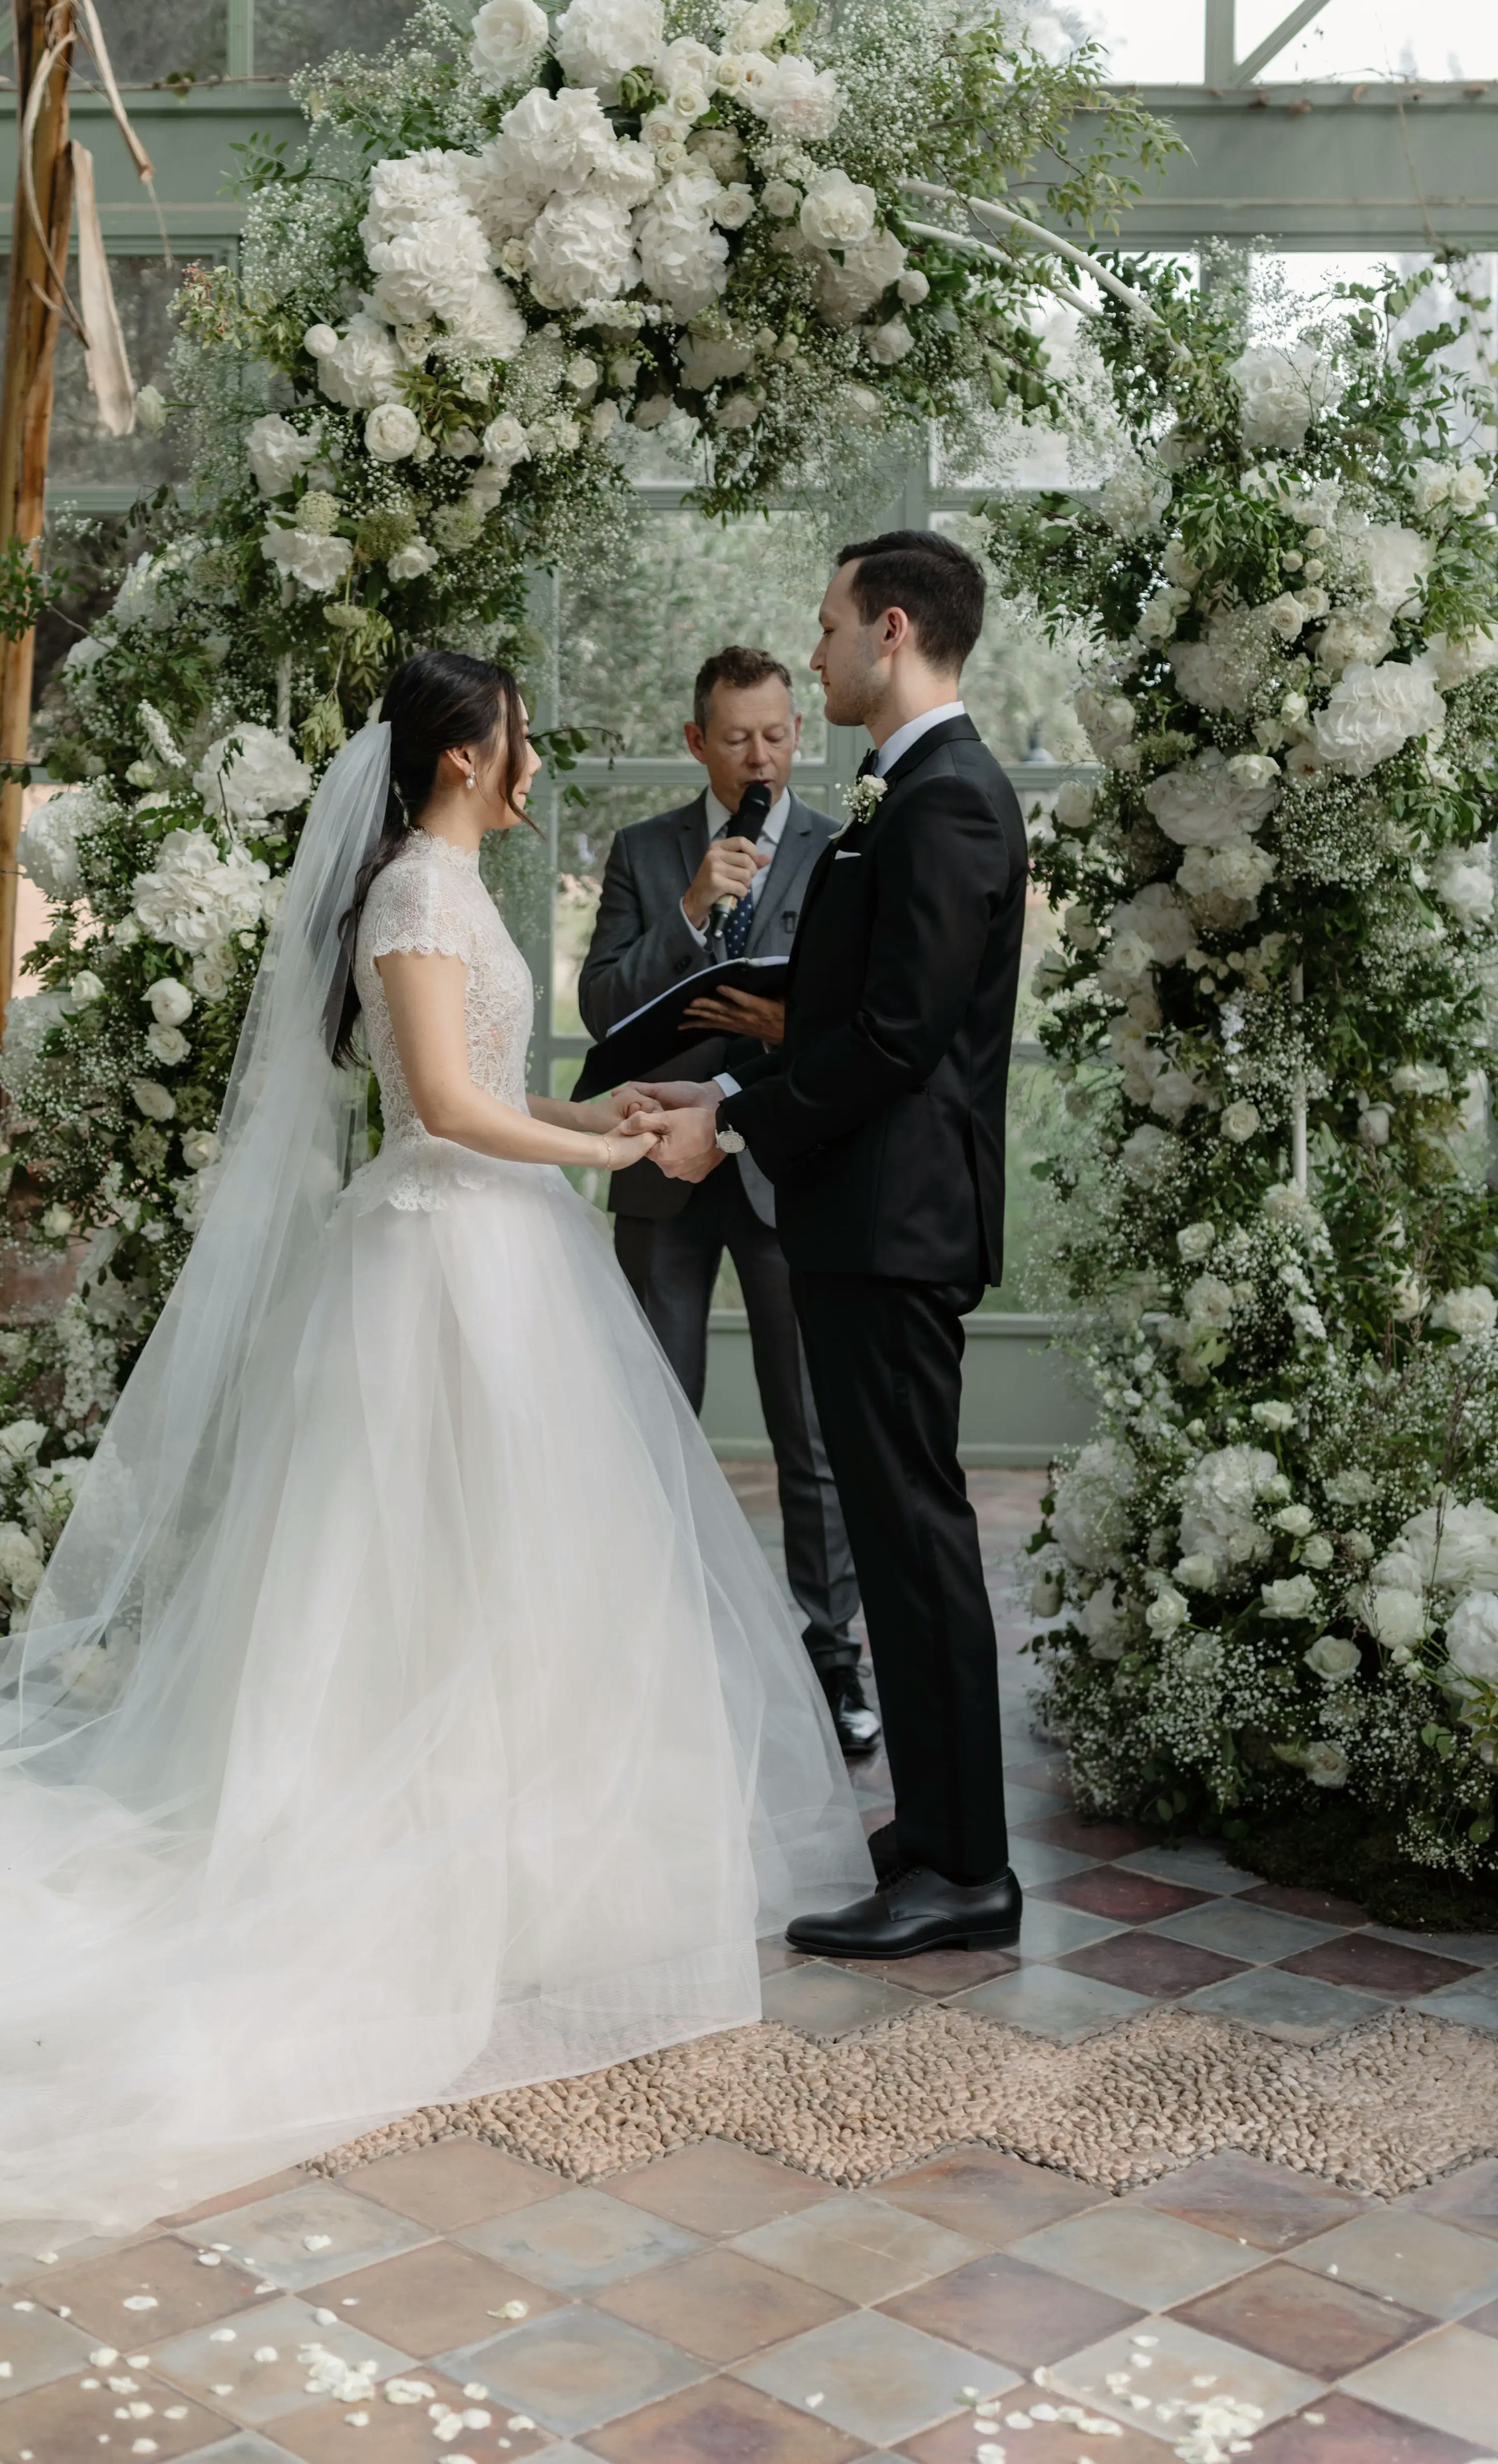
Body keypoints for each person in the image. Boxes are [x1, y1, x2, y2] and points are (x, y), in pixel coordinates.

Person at [0, 650, 869, 2252]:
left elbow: (483, 1081)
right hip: (445, 1261)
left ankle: (536, 1848)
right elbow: (443, 1106)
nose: (531, 760)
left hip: (499, 1256)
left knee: (517, 1563)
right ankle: (410, 1841)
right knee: (417, 1565)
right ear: (461, 756)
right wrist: (602, 1138)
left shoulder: (451, 881)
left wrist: (615, 1102)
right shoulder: (410, 903)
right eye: (516, 737)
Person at [638, 533, 1026, 1963]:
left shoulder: (950, 800)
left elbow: (901, 1037)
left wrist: (737, 1130)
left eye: (829, 626)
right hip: (865, 1211)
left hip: (897, 1219)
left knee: (917, 1540)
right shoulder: (910, 791)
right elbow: (854, 1010)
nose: (815, 653)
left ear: (895, 628)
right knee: (892, 1527)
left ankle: (969, 1868)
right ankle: (932, 1828)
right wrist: (723, 1083)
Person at [578, 645, 877, 1760]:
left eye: (779, 733)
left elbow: (870, 1018)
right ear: (697, 742)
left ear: (800, 733)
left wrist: (775, 1033)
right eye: (737, 736)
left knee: (812, 1431)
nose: (760, 756)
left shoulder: (850, 845)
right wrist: (694, 908)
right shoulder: (649, 849)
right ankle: (655, 1653)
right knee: (654, 1423)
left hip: (782, 1160)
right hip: (659, 1167)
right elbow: (606, 1004)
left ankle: (831, 1648)